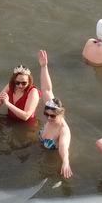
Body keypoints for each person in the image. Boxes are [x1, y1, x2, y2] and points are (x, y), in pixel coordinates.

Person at [31, 48, 74, 179]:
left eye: (53, 116)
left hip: (50, 156)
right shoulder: (51, 107)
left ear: (60, 114)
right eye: (46, 114)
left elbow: (63, 147)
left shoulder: (63, 130)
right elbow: (46, 89)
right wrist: (44, 67)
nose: (49, 118)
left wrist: (65, 162)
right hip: (39, 147)